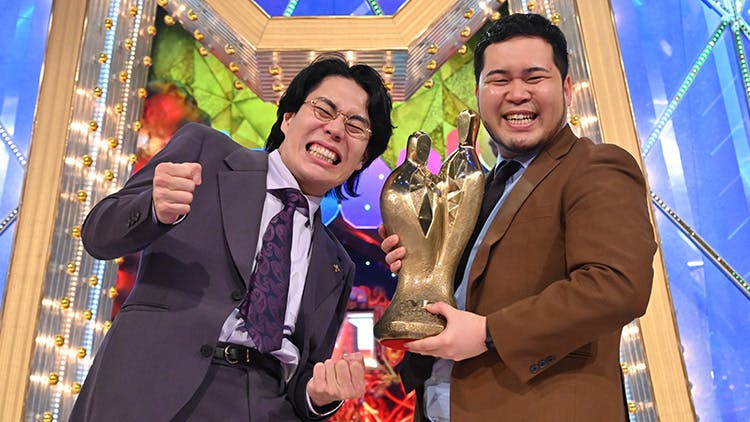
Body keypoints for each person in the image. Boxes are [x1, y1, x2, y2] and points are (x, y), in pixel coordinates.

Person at [71, 55, 393, 421]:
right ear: (288, 118)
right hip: (150, 388)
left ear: (362, 160)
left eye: (355, 126)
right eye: (323, 110)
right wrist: (153, 208)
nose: (335, 129)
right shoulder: (206, 154)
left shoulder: (337, 264)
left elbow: (304, 377)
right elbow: (98, 235)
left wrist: (319, 398)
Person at [380, 13, 656, 421]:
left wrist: (488, 333)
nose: (516, 94)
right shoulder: (475, 188)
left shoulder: (594, 166)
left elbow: (617, 285)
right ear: (478, 94)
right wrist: (417, 262)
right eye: (499, 80)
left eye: (534, 77)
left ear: (566, 88)